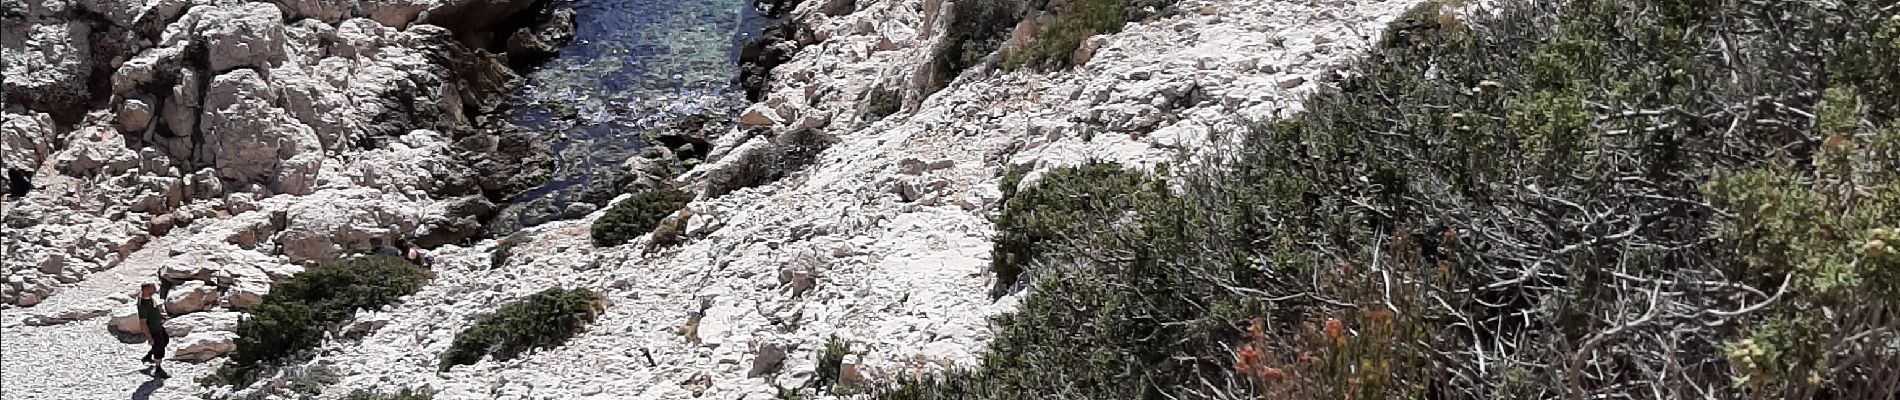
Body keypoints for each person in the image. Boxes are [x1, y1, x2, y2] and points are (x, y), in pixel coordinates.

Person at [136, 283, 170, 379]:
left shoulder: (148, 297)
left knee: (165, 340)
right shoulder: (143, 305)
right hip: (153, 330)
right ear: (146, 290)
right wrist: (149, 337)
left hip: (158, 325)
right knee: (159, 349)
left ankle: (149, 355)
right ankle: (158, 369)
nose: (155, 290)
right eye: (152, 289)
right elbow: (142, 323)